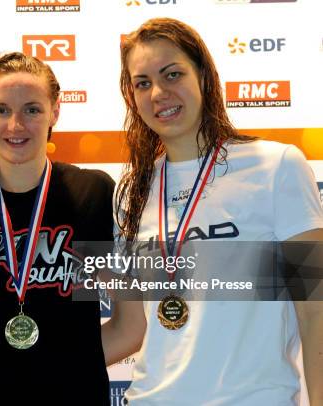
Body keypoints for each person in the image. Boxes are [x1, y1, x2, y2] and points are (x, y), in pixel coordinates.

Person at [103, 17, 323, 405]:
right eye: (142, 83)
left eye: (172, 75)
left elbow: (315, 312)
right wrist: (26, 363)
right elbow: (129, 329)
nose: (158, 93)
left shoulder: (277, 167)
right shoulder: (131, 191)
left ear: (203, 77)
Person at [0, 52, 114, 405]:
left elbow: (132, 324)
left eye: (31, 109)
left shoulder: (94, 194)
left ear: (55, 110)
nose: (15, 125)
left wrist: (66, 368)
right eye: (1, 109)